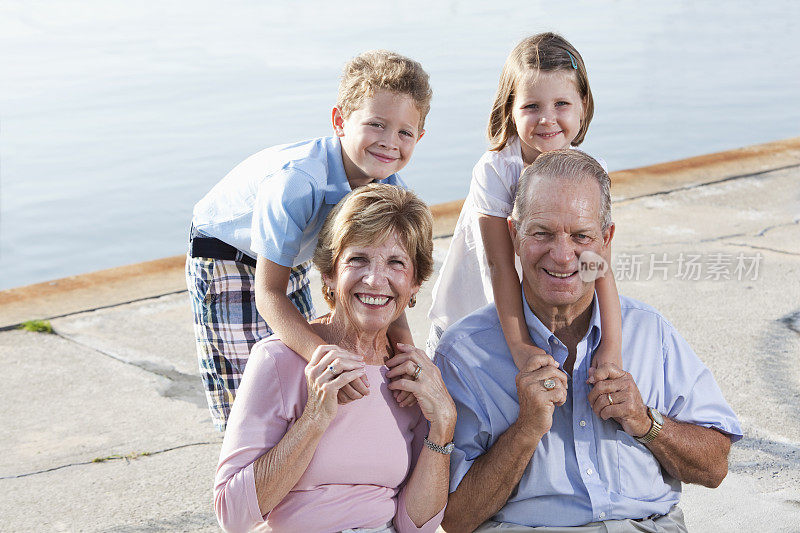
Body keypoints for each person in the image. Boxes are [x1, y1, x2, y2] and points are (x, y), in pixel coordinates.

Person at [434, 150, 742, 532]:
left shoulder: (650, 332)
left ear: (606, 238)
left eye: (581, 236)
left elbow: (715, 467)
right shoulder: (463, 354)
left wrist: (645, 422)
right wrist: (525, 430)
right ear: (514, 235)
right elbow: (455, 520)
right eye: (542, 233)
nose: (563, 256)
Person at [187, 50, 431, 430]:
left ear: (419, 136)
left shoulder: (388, 186)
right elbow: (269, 295)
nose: (389, 142)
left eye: (404, 132)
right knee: (252, 381)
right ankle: (243, 468)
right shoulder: (296, 182)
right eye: (376, 124)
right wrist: (324, 356)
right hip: (227, 255)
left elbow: (387, 282)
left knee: (303, 367)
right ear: (340, 121)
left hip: (294, 252)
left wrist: (406, 353)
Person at [214, 184, 456, 533]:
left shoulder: (412, 376)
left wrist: (444, 422)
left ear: (415, 282)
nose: (375, 279)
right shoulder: (277, 360)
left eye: (396, 262)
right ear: (329, 273)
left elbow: (415, 525)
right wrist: (314, 418)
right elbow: (231, 515)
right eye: (358, 259)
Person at [427, 33, 622, 381]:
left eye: (561, 104)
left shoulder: (592, 171)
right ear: (511, 111)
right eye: (532, 107)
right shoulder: (496, 171)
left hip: (537, 301)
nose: (547, 119)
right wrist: (518, 345)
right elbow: (500, 266)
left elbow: (597, 263)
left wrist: (611, 345)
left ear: (583, 105)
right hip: (477, 303)